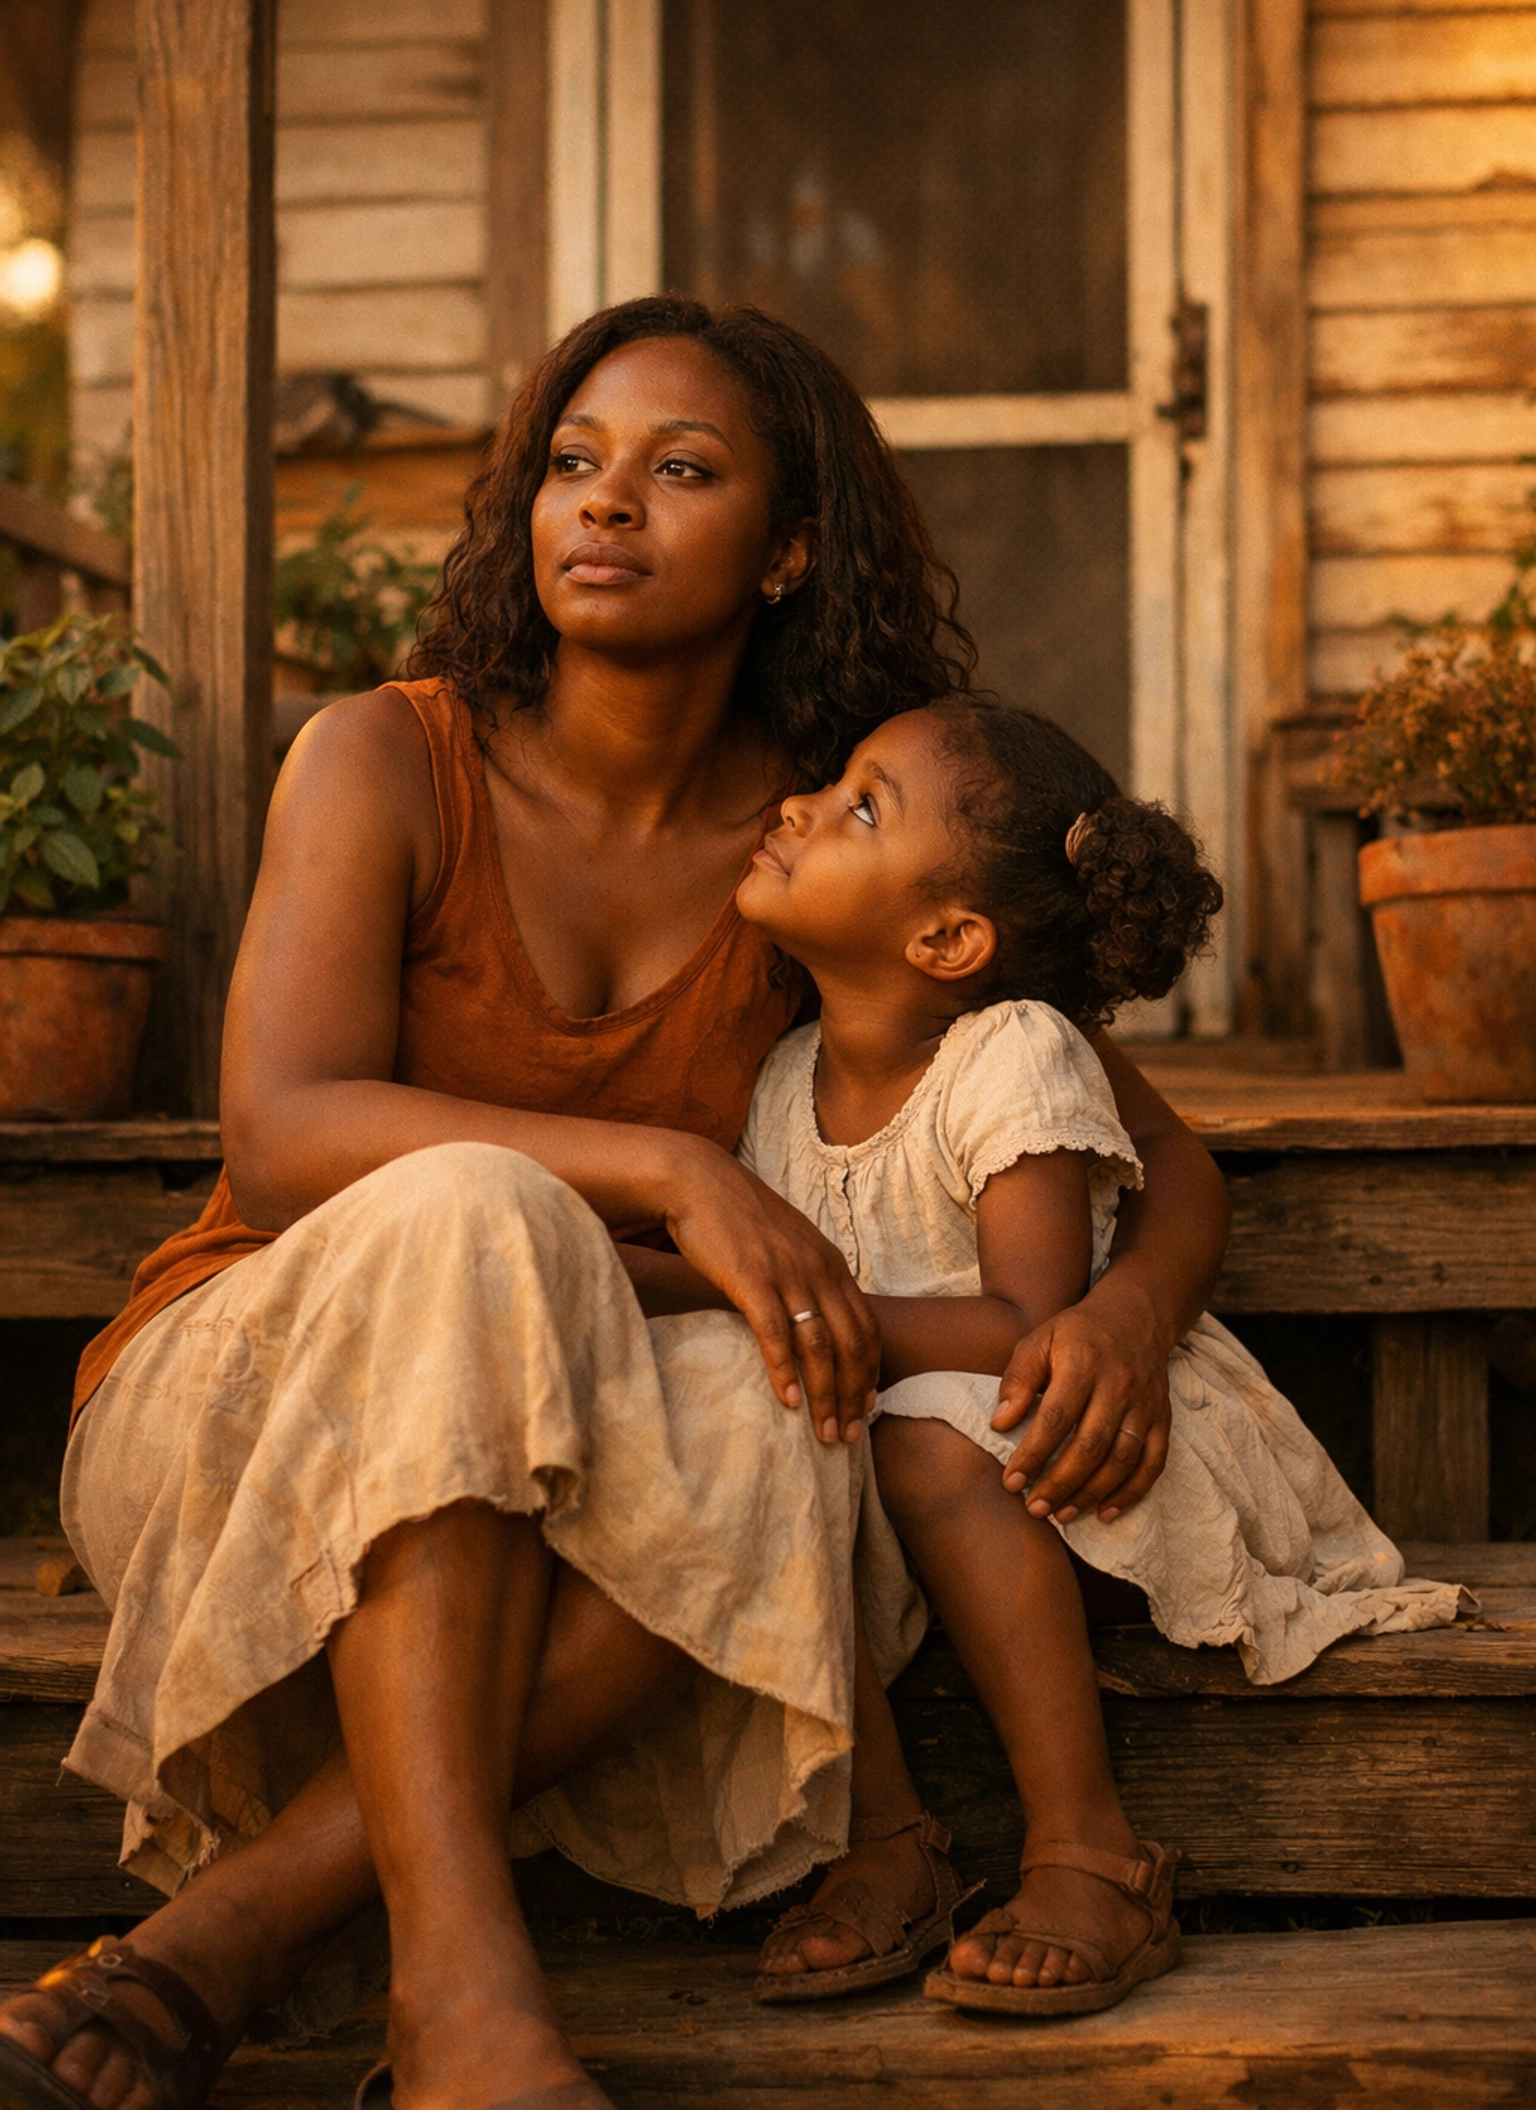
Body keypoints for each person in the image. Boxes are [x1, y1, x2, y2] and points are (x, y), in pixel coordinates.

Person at [0, 299, 1229, 2110]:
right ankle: (463, 2002)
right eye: (572, 463)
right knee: (480, 1211)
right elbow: (277, 1134)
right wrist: (672, 1167)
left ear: (791, 549)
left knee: (783, 1405)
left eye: (681, 471)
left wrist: (1123, 1311)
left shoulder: (816, 856)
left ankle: (234, 1935)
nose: (604, 505)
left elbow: (1167, 1155)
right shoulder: (382, 755)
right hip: (241, 1397)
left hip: (566, 1460)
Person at [732, 700, 1463, 2015]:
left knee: (902, 1427)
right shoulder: (783, 1085)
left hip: (1090, 1457)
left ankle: (1093, 1854)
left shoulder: (1010, 1051)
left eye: (857, 804)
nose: (797, 805)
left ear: (950, 937)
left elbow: (1026, 1322)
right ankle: (885, 1839)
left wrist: (788, 1310)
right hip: (936, 1479)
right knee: (756, 1430)